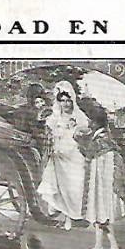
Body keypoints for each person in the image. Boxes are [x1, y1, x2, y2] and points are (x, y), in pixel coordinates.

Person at [77, 105, 125, 249]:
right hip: (100, 179)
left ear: (97, 123)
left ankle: (114, 247)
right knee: (99, 212)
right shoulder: (99, 137)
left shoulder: (102, 139)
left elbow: (91, 153)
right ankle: (98, 246)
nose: (89, 124)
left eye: (91, 121)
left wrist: (77, 139)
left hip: (104, 181)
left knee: (103, 214)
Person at [37, 81, 89, 229]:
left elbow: (85, 134)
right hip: (59, 156)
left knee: (76, 185)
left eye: (68, 101)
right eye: (62, 101)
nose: (66, 104)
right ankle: (67, 217)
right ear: (58, 102)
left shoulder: (79, 117)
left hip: (75, 155)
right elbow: (49, 133)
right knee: (62, 187)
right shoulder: (54, 117)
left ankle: (77, 215)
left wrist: (76, 132)